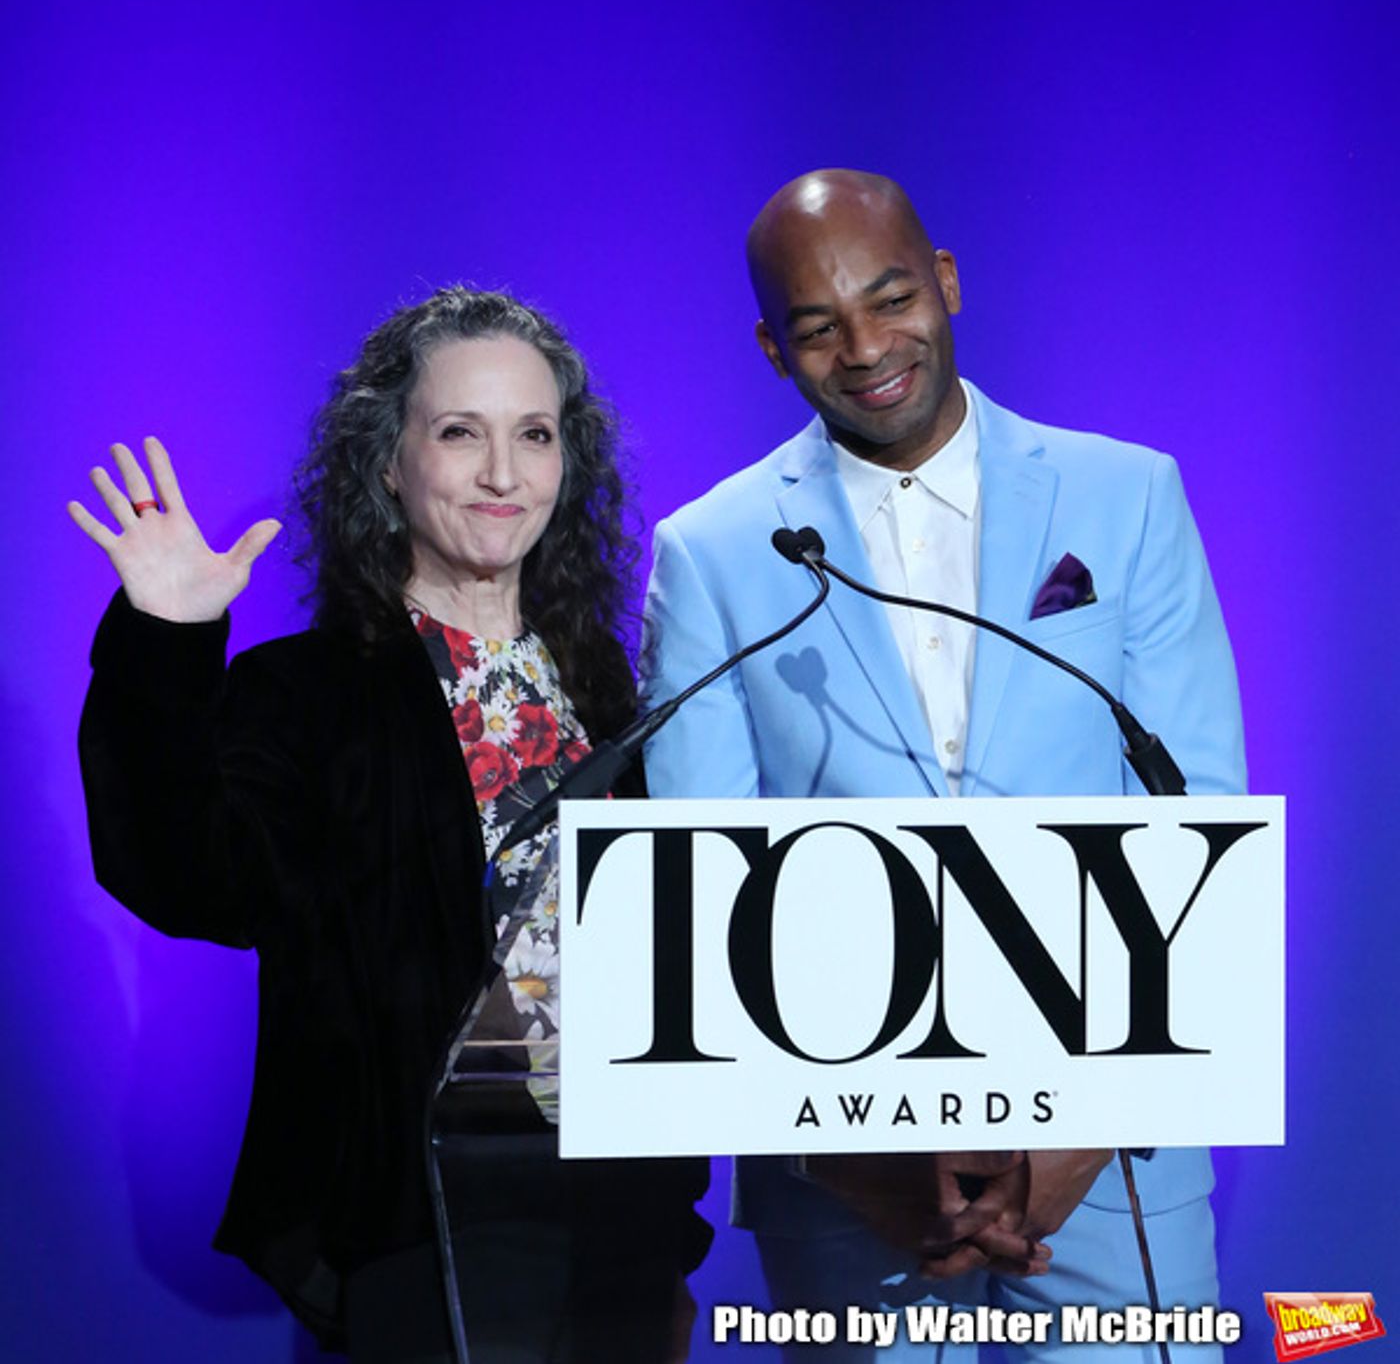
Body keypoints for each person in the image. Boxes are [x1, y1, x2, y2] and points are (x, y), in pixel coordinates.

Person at [641, 170, 1246, 1360]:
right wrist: (854, 1152)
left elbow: (1197, 819)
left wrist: (1084, 1127)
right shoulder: (707, 553)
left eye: (889, 297)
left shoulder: (1124, 496)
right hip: (844, 1179)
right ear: (772, 349)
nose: (865, 347)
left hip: (1111, 1161)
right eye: (816, 327)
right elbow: (700, 881)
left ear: (947, 282)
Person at [71, 287, 710, 1363]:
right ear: (386, 461)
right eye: (461, 432)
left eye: (535, 435)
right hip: (417, 1219)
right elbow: (190, 879)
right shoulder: (307, 691)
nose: (504, 475)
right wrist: (167, 641)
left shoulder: (620, 692)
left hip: (623, 1223)